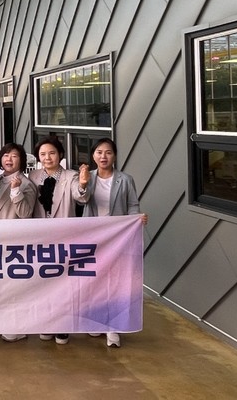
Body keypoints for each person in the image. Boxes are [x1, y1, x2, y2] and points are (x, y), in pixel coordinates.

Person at [83, 137, 149, 349]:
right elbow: (81, 199)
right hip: (93, 238)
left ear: (115, 156)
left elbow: (132, 205)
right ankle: (96, 320)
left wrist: (136, 220)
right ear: (93, 155)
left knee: (115, 282)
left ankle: (113, 327)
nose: (103, 156)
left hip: (117, 239)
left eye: (108, 152)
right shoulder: (87, 177)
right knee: (95, 281)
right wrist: (83, 183)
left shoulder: (125, 179)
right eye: (99, 152)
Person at [28, 136, 90, 345]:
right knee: (43, 283)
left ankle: (63, 325)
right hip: (40, 239)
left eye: (52, 153)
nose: (47, 158)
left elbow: (80, 196)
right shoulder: (33, 176)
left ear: (60, 155)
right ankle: (46, 323)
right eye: (43, 154)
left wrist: (83, 184)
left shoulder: (71, 176)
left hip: (64, 239)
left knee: (63, 284)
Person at [0, 142, 39, 343]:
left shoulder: (26, 184)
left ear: (22, 161)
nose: (9, 159)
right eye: (6, 155)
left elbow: (25, 214)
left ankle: (16, 327)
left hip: (12, 244)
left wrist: (16, 191)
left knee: (12, 288)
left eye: (14, 156)